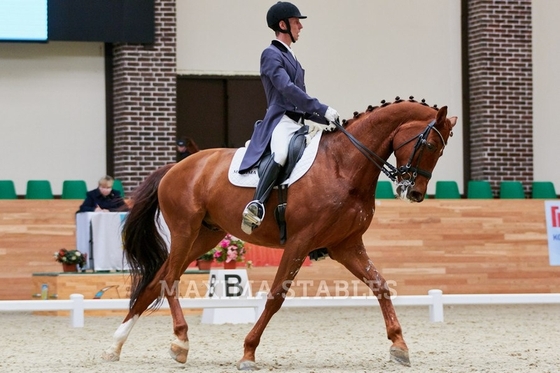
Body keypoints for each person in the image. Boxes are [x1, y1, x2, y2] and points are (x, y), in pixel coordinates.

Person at [239, 1, 340, 235]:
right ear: (283, 25)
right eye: (296, 22)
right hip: (280, 121)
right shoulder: (270, 54)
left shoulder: (292, 58)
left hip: (298, 124)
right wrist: (321, 108)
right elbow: (286, 89)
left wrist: (325, 118)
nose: (300, 27)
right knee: (281, 154)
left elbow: (300, 101)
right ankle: (256, 205)